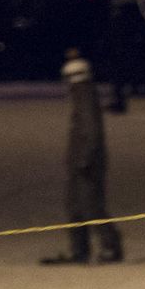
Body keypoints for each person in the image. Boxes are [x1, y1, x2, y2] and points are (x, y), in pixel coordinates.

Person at [40, 50, 124, 265]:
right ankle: (80, 250)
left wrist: (85, 159)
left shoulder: (83, 94)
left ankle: (110, 247)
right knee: (76, 205)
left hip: (87, 162)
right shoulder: (84, 93)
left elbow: (91, 129)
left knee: (90, 205)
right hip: (82, 159)